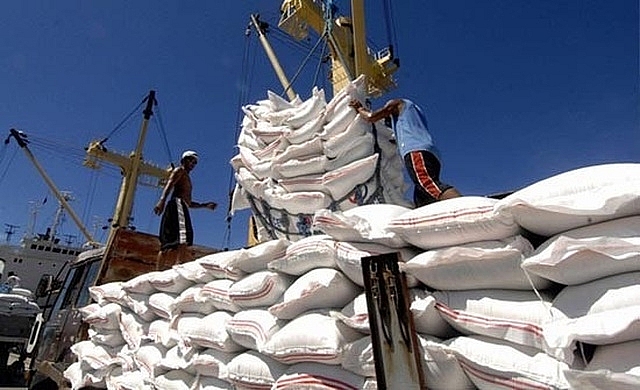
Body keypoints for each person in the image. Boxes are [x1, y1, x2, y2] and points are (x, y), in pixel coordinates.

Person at [349, 98, 461, 207]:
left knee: (427, 183)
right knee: (422, 198)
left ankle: (465, 205)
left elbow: (371, 117)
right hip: (431, 153)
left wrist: (359, 108)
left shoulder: (398, 102)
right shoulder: (412, 115)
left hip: (415, 149)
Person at [154, 150, 217, 270]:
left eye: (195, 162)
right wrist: (161, 201)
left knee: (170, 241)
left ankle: (162, 270)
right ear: (184, 160)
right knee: (184, 236)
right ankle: (178, 265)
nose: (193, 163)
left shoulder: (187, 178)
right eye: (191, 160)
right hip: (177, 205)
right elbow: (170, 185)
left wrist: (205, 205)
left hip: (181, 206)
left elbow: (189, 203)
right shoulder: (179, 171)